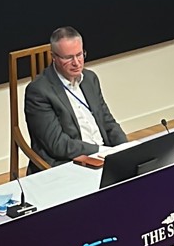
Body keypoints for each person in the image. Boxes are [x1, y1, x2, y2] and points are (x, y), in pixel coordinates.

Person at [24, 27, 127, 173]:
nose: (77, 63)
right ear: (54, 57)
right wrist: (102, 151)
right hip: (71, 162)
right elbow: (57, 145)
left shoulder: (90, 79)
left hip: (103, 156)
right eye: (68, 58)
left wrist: (125, 148)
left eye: (80, 55)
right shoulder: (38, 91)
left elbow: (107, 121)